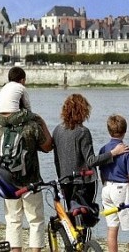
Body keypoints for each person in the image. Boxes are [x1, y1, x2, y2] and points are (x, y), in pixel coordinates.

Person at [52, 94, 129, 240]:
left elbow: (57, 160)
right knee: (86, 217)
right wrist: (114, 152)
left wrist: (61, 178)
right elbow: (91, 160)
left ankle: (74, 245)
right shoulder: (83, 132)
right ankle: (85, 244)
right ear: (83, 110)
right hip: (84, 182)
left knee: (72, 216)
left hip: (65, 181)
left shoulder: (57, 130)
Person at [0, 116, 53, 252]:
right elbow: (48, 146)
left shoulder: (0, 128)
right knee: (35, 221)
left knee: (13, 220)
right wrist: (42, 122)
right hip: (31, 181)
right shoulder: (32, 126)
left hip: (8, 180)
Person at [0, 66, 52, 148]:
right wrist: (33, 117)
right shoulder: (32, 127)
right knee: (34, 116)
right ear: (22, 80)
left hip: (0, 118)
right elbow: (27, 105)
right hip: (14, 117)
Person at [99, 114, 129, 252]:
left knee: (112, 228)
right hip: (121, 189)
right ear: (125, 131)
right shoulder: (126, 151)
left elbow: (101, 169)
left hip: (106, 188)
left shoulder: (104, 150)